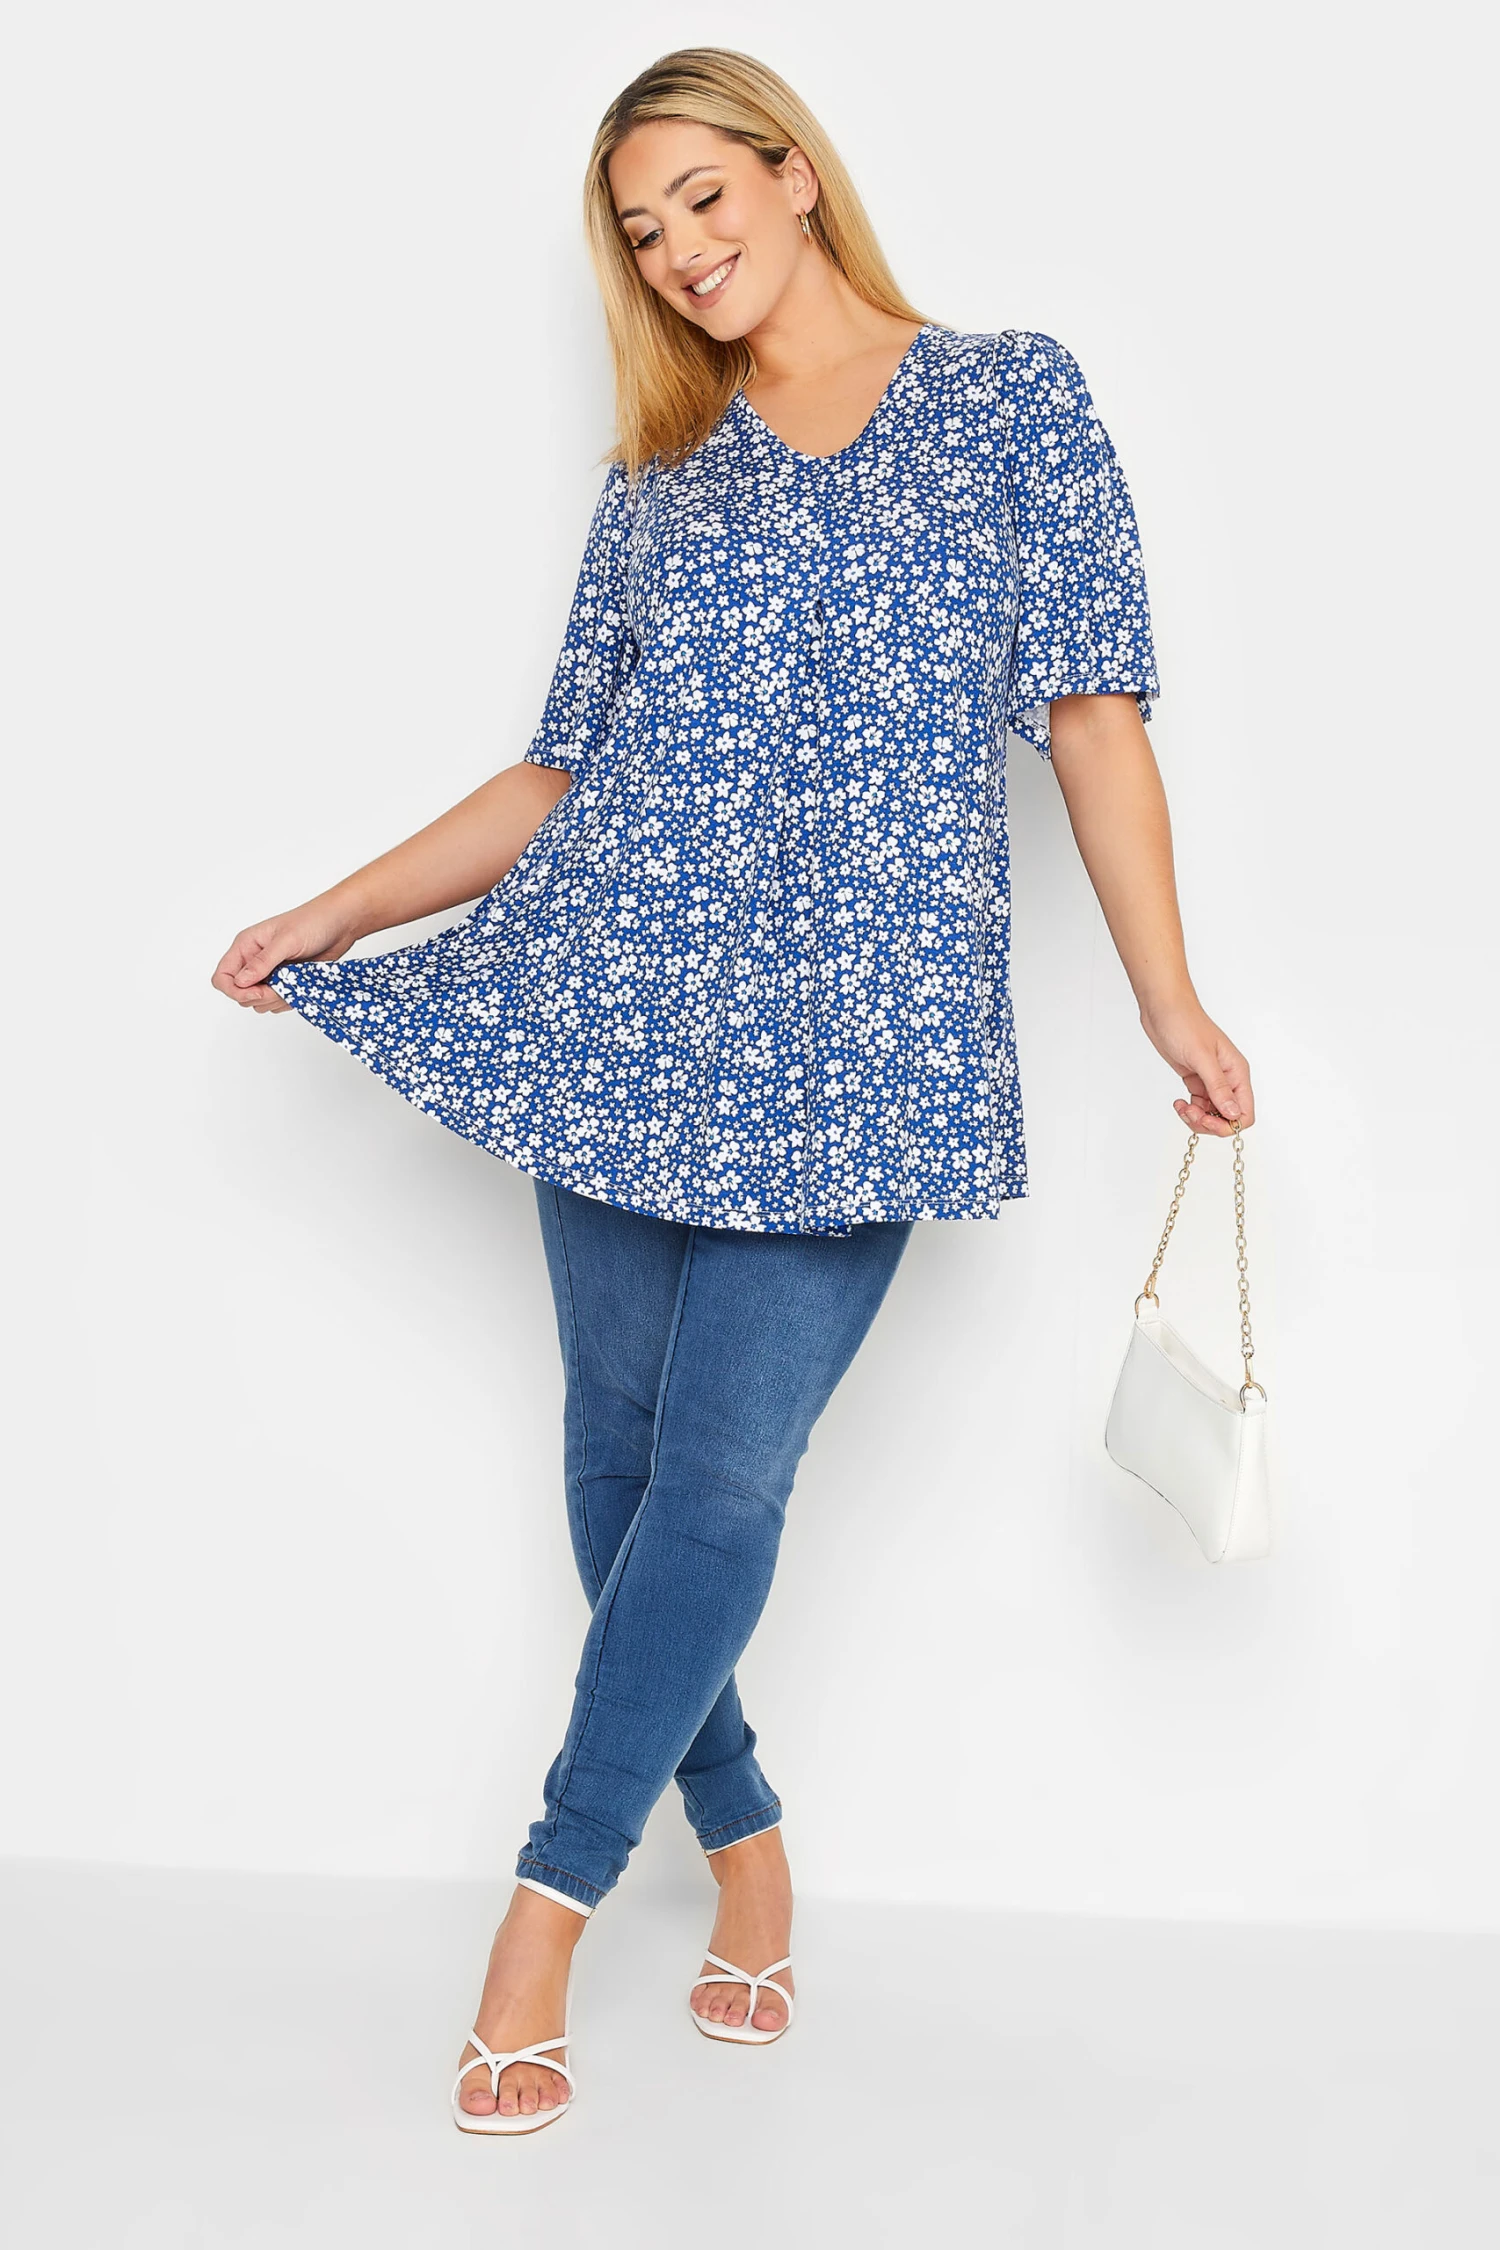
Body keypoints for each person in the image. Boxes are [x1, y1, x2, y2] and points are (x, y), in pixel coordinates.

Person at [212, 46, 1255, 2135]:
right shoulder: (661, 475)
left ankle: (546, 1910)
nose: (680, 249)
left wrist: (1168, 995)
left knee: (721, 1487)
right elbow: (559, 770)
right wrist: (332, 909)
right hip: (613, 1012)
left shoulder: (1012, 401)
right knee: (613, 1472)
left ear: (792, 173)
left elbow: (1093, 717)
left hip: (861, 1043)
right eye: (641, 229)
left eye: (703, 195)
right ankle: (749, 1845)